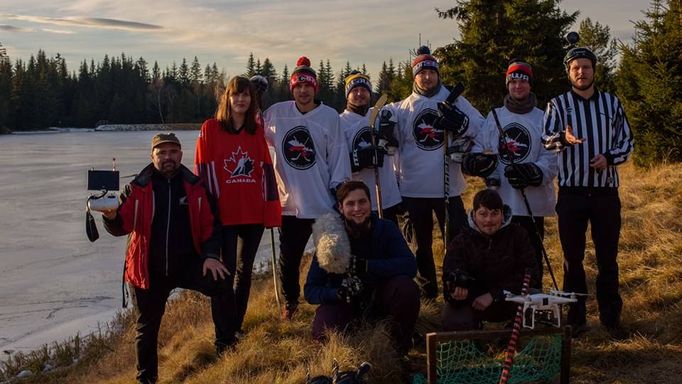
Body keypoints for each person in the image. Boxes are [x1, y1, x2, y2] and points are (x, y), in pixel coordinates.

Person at [102, 133, 234, 384]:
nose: (168, 157)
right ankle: (146, 379)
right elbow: (122, 225)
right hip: (147, 269)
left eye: (173, 152)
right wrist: (109, 217)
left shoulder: (196, 185)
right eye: (161, 153)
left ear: (181, 155)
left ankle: (226, 346)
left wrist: (210, 256)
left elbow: (210, 226)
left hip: (187, 264)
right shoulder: (137, 187)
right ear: (152, 156)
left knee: (223, 283)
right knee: (146, 327)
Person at [542, 46, 633, 339]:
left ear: (595, 69)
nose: (581, 72)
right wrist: (564, 140)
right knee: (572, 258)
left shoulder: (611, 102)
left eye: (586, 67)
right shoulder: (557, 104)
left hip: (606, 193)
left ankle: (611, 318)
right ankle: (576, 318)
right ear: (568, 72)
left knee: (608, 258)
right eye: (575, 68)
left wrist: (608, 157)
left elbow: (627, 141)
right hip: (572, 193)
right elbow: (545, 140)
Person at [382, 46, 484, 298]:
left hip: (449, 188)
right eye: (421, 73)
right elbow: (390, 146)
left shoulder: (456, 100)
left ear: (438, 74)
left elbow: (483, 129)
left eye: (431, 72)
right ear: (414, 77)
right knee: (421, 247)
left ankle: (456, 290)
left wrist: (463, 123)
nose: (426, 77)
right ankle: (427, 292)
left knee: (457, 242)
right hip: (413, 189)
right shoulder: (401, 108)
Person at [263, 56, 351, 320]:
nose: (303, 90)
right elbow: (251, 128)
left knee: (332, 256)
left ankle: (334, 299)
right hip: (291, 204)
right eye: (298, 86)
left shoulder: (328, 117)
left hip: (323, 201)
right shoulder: (277, 113)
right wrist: (255, 97)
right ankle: (291, 302)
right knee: (289, 260)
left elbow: (338, 154)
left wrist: (340, 190)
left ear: (315, 88)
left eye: (308, 85)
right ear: (293, 88)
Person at [194, 76, 281, 335]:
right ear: (227, 99)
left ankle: (236, 326)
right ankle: (224, 333)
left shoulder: (256, 132)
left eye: (246, 95)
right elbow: (204, 171)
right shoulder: (211, 129)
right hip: (224, 216)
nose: (241, 100)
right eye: (236, 95)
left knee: (244, 273)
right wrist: (209, 212)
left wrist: (271, 210)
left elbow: (266, 171)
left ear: (252, 100)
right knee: (225, 273)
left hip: (252, 214)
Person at [464, 60, 558, 288]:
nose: (518, 86)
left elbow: (553, 153)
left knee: (530, 254)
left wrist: (536, 172)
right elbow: (479, 147)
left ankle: (532, 297)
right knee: (501, 255)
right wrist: (479, 162)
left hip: (531, 203)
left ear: (530, 85)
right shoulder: (495, 116)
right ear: (507, 85)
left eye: (522, 82)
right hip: (500, 200)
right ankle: (502, 300)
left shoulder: (543, 117)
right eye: (513, 82)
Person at [304, 181, 420, 354]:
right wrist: (336, 293)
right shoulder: (331, 239)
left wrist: (367, 266)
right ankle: (342, 361)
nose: (357, 208)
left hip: (382, 298)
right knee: (323, 332)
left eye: (362, 201)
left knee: (407, 288)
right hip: (346, 302)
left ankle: (398, 350)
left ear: (370, 203)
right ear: (341, 208)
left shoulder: (386, 228)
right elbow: (310, 290)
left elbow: (410, 266)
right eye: (350, 204)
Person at [441, 189, 539, 331]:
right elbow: (449, 273)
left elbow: (531, 273)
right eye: (483, 214)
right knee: (454, 320)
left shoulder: (518, 235)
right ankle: (475, 341)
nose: (489, 220)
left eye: (494, 214)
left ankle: (511, 339)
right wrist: (456, 288)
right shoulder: (461, 241)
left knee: (536, 303)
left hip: (509, 297)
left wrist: (494, 294)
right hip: (475, 301)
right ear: (474, 215)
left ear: (502, 214)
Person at [339, 70, 402, 224]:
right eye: (354, 90)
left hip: (387, 198)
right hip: (358, 203)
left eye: (364, 90)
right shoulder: (339, 122)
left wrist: (390, 138)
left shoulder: (382, 114)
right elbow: (336, 161)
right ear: (347, 95)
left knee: (389, 243)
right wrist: (358, 159)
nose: (360, 94)